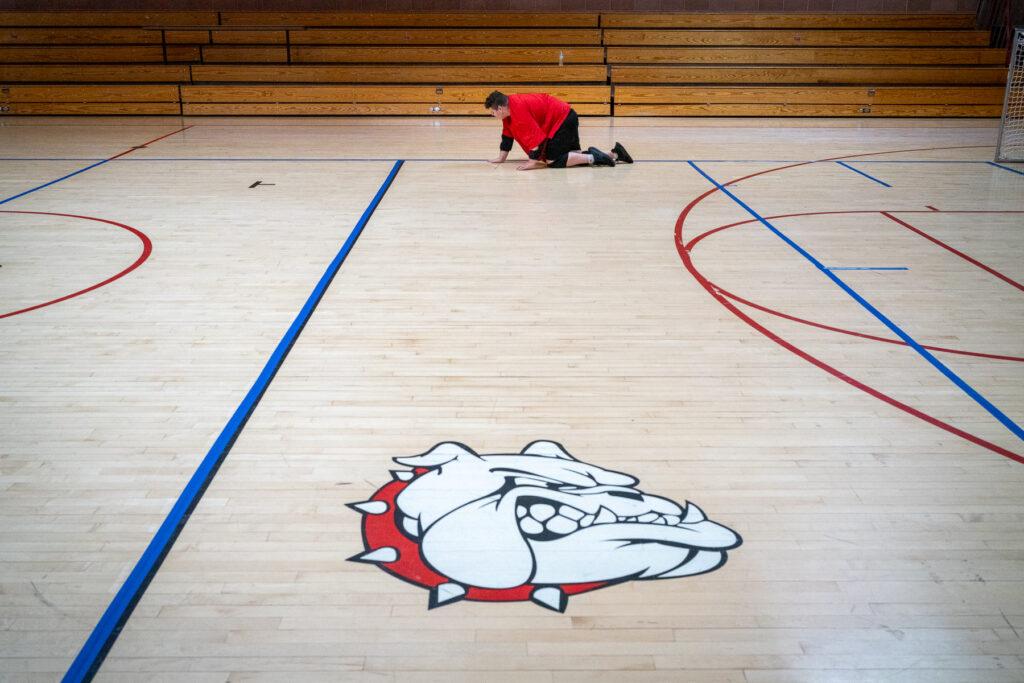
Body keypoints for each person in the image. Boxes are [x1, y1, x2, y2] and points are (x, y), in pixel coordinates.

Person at [485, 91, 633, 171]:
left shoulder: (518, 109)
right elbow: (507, 136)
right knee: (571, 157)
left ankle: (595, 157)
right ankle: (615, 153)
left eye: (492, 113)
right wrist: (501, 158)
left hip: (563, 119)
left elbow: (535, 139)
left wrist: (532, 162)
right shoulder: (509, 112)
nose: (493, 116)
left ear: (500, 108)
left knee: (553, 160)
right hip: (565, 116)